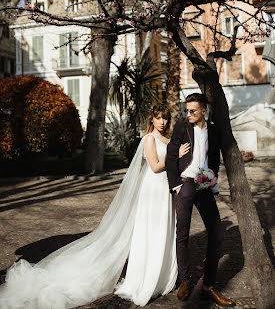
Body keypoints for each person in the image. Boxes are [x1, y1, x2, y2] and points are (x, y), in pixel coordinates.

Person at [0, 104, 188, 309]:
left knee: (164, 234)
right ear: (151, 119)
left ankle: (161, 278)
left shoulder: (168, 140)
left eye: (165, 118)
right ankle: (145, 280)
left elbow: (173, 166)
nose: (162, 122)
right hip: (152, 192)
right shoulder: (149, 139)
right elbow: (154, 166)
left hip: (165, 192)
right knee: (150, 235)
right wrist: (175, 155)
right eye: (158, 118)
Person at [165, 93, 236, 307]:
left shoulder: (213, 131)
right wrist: (176, 185)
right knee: (182, 234)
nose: (188, 114)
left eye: (192, 111)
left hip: (204, 183)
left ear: (203, 111)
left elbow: (214, 158)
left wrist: (212, 181)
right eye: (186, 110)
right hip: (185, 183)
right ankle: (185, 280)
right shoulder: (181, 127)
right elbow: (170, 156)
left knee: (217, 232)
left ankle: (208, 286)